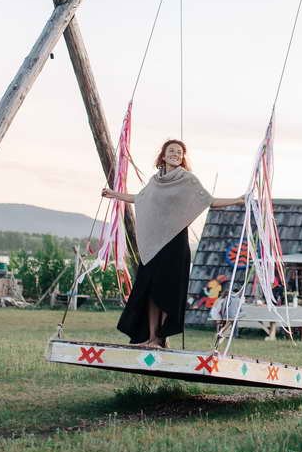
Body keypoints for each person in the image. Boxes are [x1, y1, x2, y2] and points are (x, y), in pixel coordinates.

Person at [103, 139, 243, 348]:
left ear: (183, 157)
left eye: (179, 152)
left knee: (167, 292)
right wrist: (114, 194)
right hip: (153, 246)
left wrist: (238, 199)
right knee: (151, 291)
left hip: (175, 245)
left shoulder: (188, 180)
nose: (175, 154)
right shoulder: (155, 181)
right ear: (163, 155)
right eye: (172, 151)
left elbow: (209, 201)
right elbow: (140, 199)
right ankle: (151, 338)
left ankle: (160, 339)